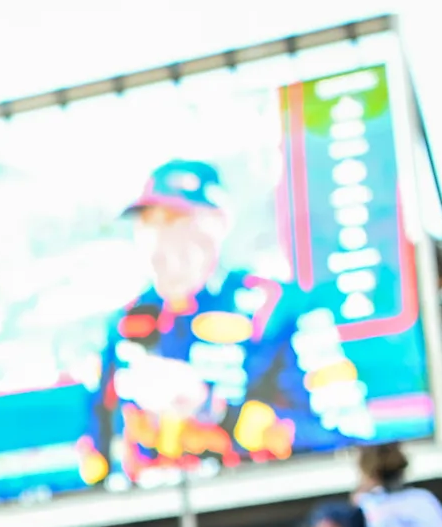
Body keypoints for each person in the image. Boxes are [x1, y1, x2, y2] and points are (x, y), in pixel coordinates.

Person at [83, 157, 367, 480]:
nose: (160, 238)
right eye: (148, 223)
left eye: (176, 219)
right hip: (147, 521)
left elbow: (346, 439)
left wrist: (211, 409)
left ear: (218, 222)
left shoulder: (280, 309)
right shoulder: (124, 324)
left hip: (264, 510)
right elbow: (93, 453)